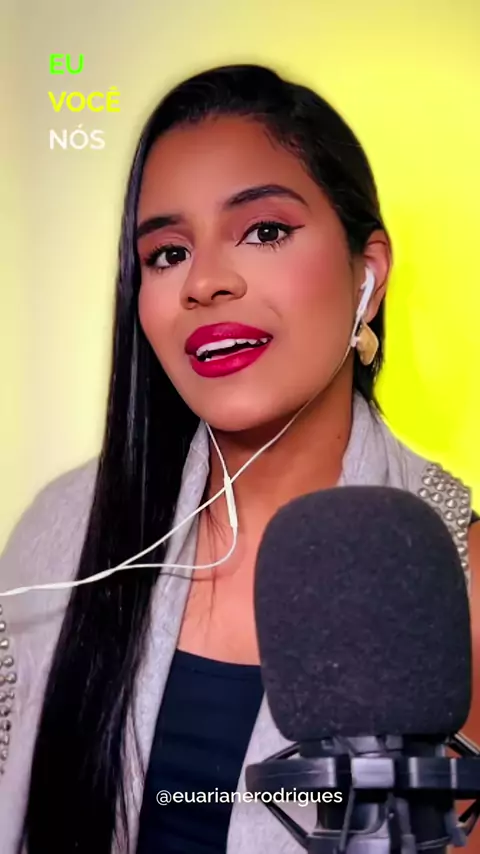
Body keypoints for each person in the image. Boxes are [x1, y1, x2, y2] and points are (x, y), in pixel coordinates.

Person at [0, 64, 479, 854]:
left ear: (367, 274)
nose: (206, 282)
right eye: (167, 253)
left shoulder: (457, 582)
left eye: (264, 232)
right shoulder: (61, 538)